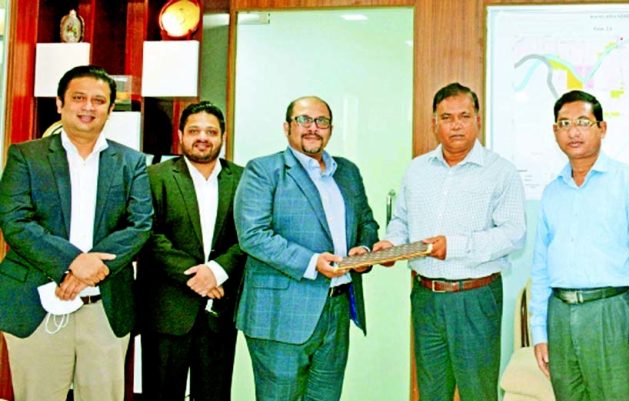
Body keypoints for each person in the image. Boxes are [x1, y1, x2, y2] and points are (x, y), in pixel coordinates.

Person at [0, 65, 153, 401]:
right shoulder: (26, 156)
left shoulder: (131, 162)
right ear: (60, 103)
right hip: (37, 302)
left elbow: (140, 224)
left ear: (111, 109)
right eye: (79, 98)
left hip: (106, 305)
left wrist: (88, 272)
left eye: (99, 100)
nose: (88, 107)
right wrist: (73, 262)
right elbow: (15, 221)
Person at [373, 82, 526, 401]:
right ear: (434, 123)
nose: (455, 124)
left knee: (477, 393)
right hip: (426, 297)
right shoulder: (417, 170)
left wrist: (453, 246)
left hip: (474, 297)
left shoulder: (501, 172)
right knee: (430, 391)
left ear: (477, 120)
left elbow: (513, 233)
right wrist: (390, 244)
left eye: (464, 116)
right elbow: (401, 220)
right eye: (446, 117)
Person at [234, 95, 379, 400]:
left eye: (322, 121)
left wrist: (364, 249)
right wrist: (312, 262)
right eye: (304, 120)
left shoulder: (347, 172)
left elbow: (367, 221)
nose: (313, 128)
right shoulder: (263, 170)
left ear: (331, 129)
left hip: (336, 307)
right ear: (287, 127)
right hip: (280, 314)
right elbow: (253, 235)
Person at [529, 90, 629, 401]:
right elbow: (540, 265)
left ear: (602, 128)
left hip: (611, 312)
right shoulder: (553, 192)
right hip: (560, 315)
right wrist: (540, 330)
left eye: (582, 122)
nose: (573, 131)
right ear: (555, 132)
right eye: (564, 123)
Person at [138, 101, 246, 401]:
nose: (203, 137)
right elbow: (148, 235)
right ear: (181, 134)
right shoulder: (154, 177)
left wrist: (217, 271)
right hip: (167, 310)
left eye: (211, 131)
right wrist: (197, 275)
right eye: (195, 130)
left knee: (214, 395)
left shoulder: (244, 180)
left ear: (223, 136)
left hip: (220, 312)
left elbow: (251, 237)